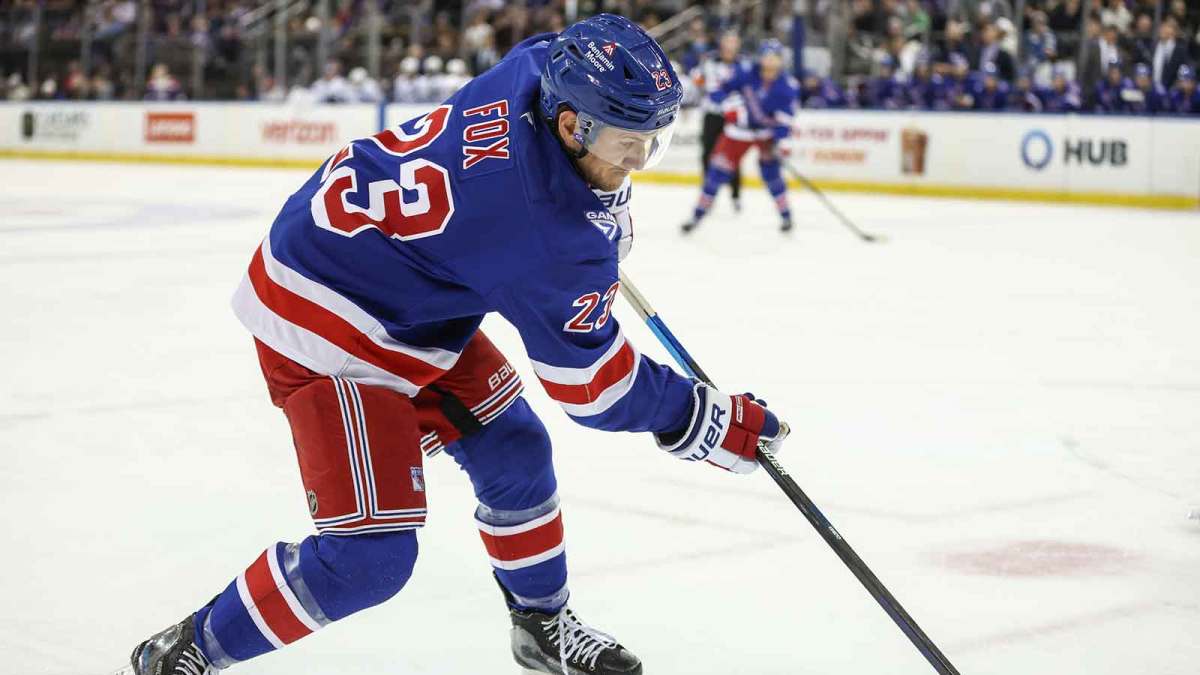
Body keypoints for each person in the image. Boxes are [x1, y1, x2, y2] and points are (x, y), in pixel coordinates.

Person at [114, 14, 787, 675]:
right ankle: (185, 653)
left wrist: (581, 243)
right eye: (625, 142)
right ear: (569, 124)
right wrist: (706, 418)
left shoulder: (538, 65)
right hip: (324, 314)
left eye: (652, 141)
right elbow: (594, 388)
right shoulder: (545, 237)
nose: (639, 161)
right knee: (369, 559)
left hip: (385, 265)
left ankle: (541, 627)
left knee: (516, 448)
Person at [682, 40, 800, 234]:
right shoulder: (746, 72)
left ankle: (786, 215)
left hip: (765, 135)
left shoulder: (788, 85)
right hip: (738, 132)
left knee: (772, 174)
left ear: (781, 60)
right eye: (766, 56)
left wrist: (781, 140)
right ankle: (697, 215)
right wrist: (729, 105)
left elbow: (786, 118)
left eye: (774, 57)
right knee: (716, 172)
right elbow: (719, 91)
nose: (770, 61)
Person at [691, 31, 745, 211]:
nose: (730, 45)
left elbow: (745, 90)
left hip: (734, 117)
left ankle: (736, 195)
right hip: (713, 116)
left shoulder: (744, 65)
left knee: (733, 156)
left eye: (733, 42)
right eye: (727, 41)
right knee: (707, 154)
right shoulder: (710, 61)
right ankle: (708, 194)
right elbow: (709, 87)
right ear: (722, 44)